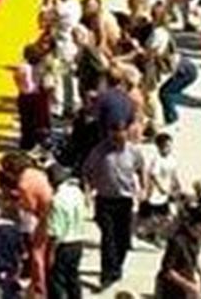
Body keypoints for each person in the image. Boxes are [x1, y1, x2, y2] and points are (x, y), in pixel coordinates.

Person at [81, 120, 145, 289]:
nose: (118, 142)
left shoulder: (133, 151)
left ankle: (116, 268)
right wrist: (88, 193)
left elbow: (141, 168)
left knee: (123, 239)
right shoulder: (99, 151)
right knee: (108, 238)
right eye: (115, 138)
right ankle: (107, 274)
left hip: (124, 201)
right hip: (105, 200)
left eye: (121, 138)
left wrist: (143, 188)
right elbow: (86, 172)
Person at [46, 165, 87, 299]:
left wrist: (50, 254)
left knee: (57, 281)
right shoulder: (76, 192)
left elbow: (55, 232)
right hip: (78, 241)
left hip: (63, 245)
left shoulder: (57, 200)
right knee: (73, 276)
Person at [155, 207, 201, 298]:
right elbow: (167, 270)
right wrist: (188, 286)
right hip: (170, 290)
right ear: (199, 225)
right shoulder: (177, 241)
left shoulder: (197, 240)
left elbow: (193, 261)